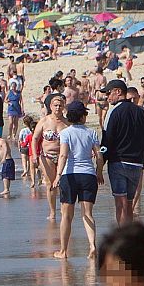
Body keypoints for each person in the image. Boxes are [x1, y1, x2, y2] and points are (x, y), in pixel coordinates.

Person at [99, 80, 144, 226]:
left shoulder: (112, 112)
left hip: (118, 164)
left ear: (118, 92)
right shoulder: (141, 112)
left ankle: (123, 240)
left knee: (120, 204)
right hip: (136, 165)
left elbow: (106, 142)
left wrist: (100, 164)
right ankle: (128, 238)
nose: (107, 97)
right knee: (128, 204)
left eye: (109, 93)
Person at [54, 100, 100, 259]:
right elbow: (99, 156)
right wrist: (99, 172)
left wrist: (57, 175)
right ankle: (92, 245)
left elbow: (63, 155)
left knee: (66, 215)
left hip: (70, 175)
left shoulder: (65, 133)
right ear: (82, 117)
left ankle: (63, 251)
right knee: (87, 213)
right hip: (88, 174)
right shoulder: (91, 132)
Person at [31, 94, 68, 224]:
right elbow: (35, 138)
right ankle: (52, 211)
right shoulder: (44, 121)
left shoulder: (67, 122)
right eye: (55, 105)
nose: (58, 108)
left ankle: (64, 209)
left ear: (64, 107)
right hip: (47, 156)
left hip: (64, 156)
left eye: (60, 105)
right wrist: (34, 155)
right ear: (51, 106)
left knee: (64, 184)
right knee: (50, 184)